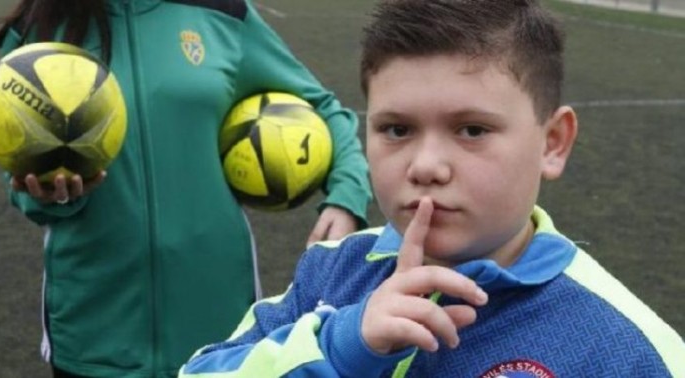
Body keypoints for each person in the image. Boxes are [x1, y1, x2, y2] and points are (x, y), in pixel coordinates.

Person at [178, 0, 685, 376]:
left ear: (553, 142)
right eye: (397, 129)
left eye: (472, 130)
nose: (425, 166)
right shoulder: (331, 272)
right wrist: (338, 349)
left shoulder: (627, 348)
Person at [0, 0, 372, 377]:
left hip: (219, 324)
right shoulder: (37, 29)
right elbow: (24, 184)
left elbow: (321, 106)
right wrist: (53, 197)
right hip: (94, 332)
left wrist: (346, 196)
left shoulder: (221, 12)